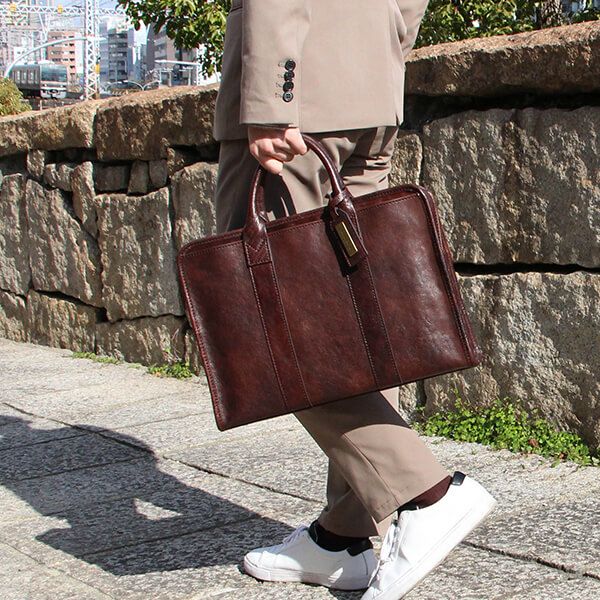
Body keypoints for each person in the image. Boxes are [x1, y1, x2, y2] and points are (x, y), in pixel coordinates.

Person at [211, 1, 497, 598]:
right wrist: (385, 44)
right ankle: (343, 534)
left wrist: (271, 97)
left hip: (298, 91)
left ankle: (425, 495)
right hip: (372, 89)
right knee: (350, 318)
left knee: (265, 315)